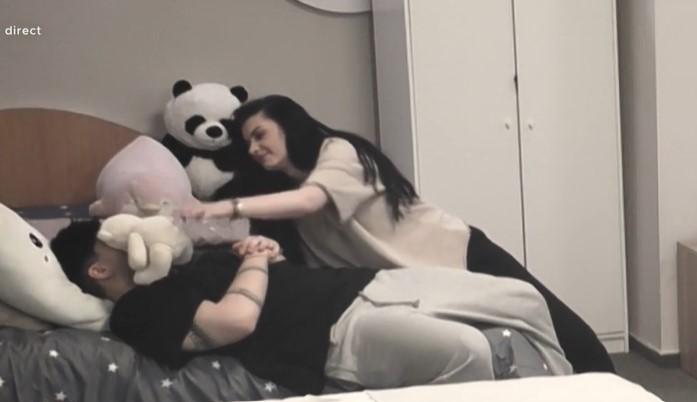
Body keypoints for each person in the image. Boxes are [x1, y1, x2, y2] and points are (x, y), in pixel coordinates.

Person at [183, 94, 615, 374]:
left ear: (288, 123)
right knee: (500, 346)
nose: (255, 148)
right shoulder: (283, 198)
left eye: (260, 134)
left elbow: (311, 200)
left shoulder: (337, 152)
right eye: (248, 143)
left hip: (458, 251)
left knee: (558, 326)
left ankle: (612, 385)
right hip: (420, 282)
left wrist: (222, 206)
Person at [51, 220, 571, 395]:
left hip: (365, 284)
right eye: (111, 239)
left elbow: (263, 270)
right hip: (337, 335)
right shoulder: (136, 308)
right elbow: (234, 321)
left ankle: (577, 387)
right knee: (465, 349)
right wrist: (256, 261)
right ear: (98, 270)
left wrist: (262, 252)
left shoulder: (183, 268)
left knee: (520, 296)